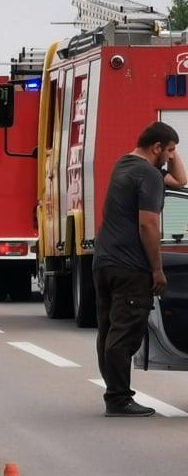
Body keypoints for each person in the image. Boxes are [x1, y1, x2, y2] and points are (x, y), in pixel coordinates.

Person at [93, 121, 184, 417]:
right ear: (156, 148)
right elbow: (148, 224)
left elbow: (181, 181)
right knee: (125, 333)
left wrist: (172, 150)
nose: (171, 157)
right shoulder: (148, 174)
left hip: (105, 261)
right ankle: (118, 399)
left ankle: (115, 394)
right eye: (169, 150)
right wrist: (157, 269)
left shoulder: (125, 164)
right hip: (129, 266)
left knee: (109, 331)